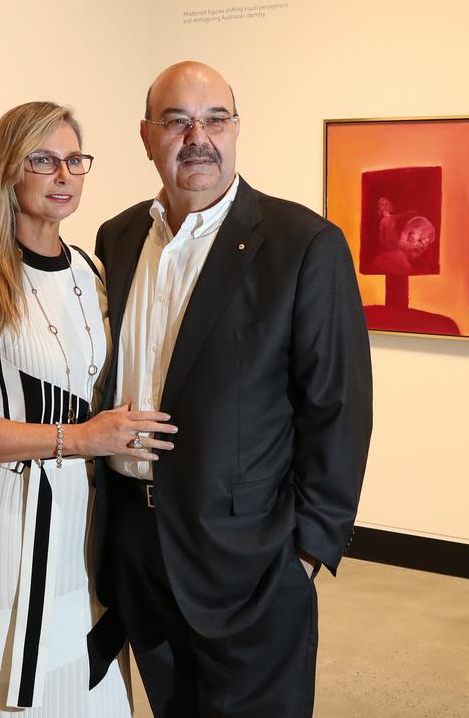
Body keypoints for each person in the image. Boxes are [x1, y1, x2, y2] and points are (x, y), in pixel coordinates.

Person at [89, 62, 373, 717]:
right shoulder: (120, 237)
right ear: (146, 135)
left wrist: (306, 553)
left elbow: (338, 407)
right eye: (177, 120)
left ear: (237, 128)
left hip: (251, 562)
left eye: (215, 118)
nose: (198, 136)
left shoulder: (304, 245)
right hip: (136, 546)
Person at [0, 101, 176, 716]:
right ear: (9, 171)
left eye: (74, 160)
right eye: (43, 160)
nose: (63, 175)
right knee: (22, 693)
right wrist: (79, 439)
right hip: (13, 514)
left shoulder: (92, 270)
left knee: (95, 685)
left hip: (88, 516)